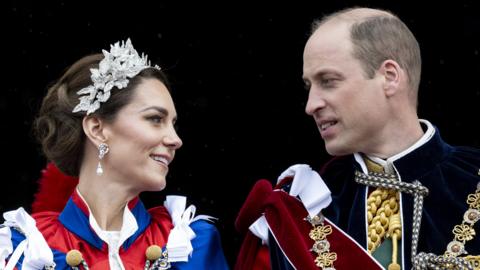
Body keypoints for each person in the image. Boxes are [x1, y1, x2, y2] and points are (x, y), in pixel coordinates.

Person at [235, 7, 480, 270]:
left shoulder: (473, 178)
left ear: (389, 77)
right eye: (309, 86)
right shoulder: (297, 208)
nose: (310, 105)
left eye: (328, 81)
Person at [0, 39, 229, 269]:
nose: (175, 140)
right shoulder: (26, 250)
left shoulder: (190, 244)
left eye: (173, 124)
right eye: (155, 119)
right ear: (97, 129)